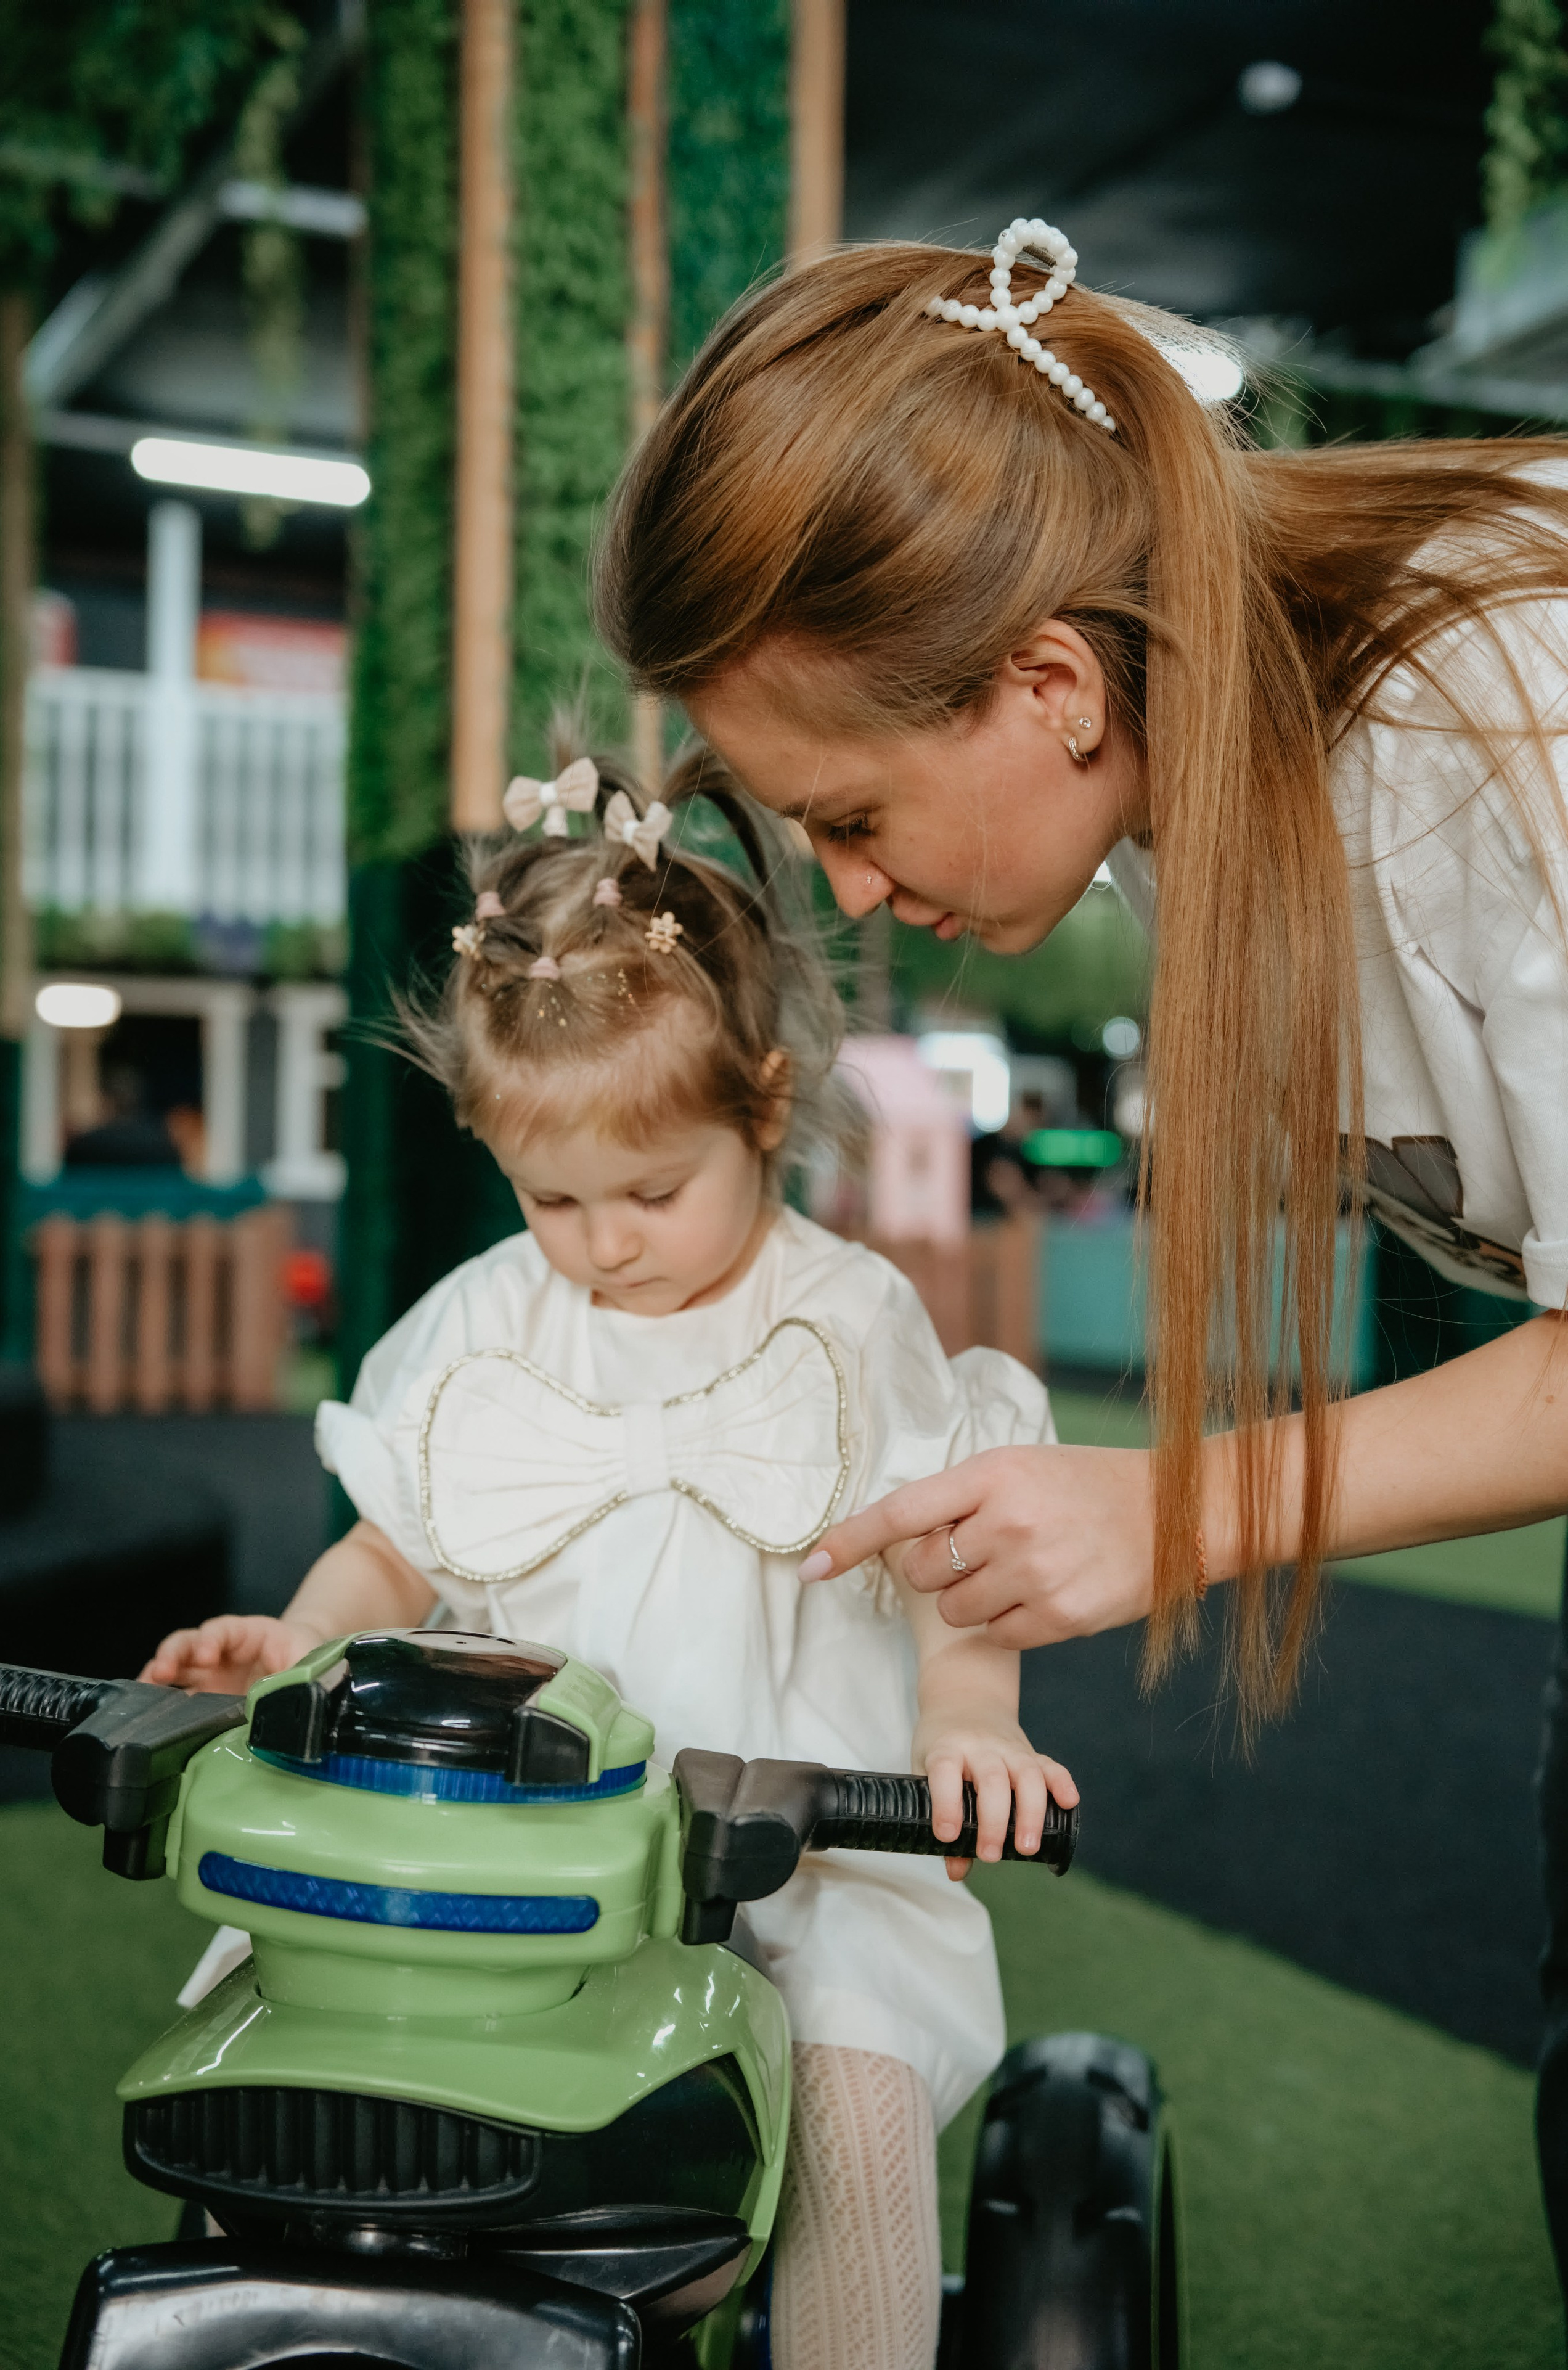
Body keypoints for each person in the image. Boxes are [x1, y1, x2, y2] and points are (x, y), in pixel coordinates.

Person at [592, 216, 1568, 2282]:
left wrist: (1184, 1505)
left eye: (852, 814)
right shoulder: (1186, 755)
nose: (849, 887)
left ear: (1047, 681)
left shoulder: (1494, 712)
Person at [144, 744, 1076, 2370]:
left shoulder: (845, 1321)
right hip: (500, 1862)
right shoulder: (487, 1322)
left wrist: (970, 1720)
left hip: (787, 1861)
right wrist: (292, 1640)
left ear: (765, 1107)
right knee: (286, 2073)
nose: (604, 1239)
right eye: (551, 1192)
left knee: (853, 2111)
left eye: (653, 1186)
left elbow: (951, 1557)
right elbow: (388, 1548)